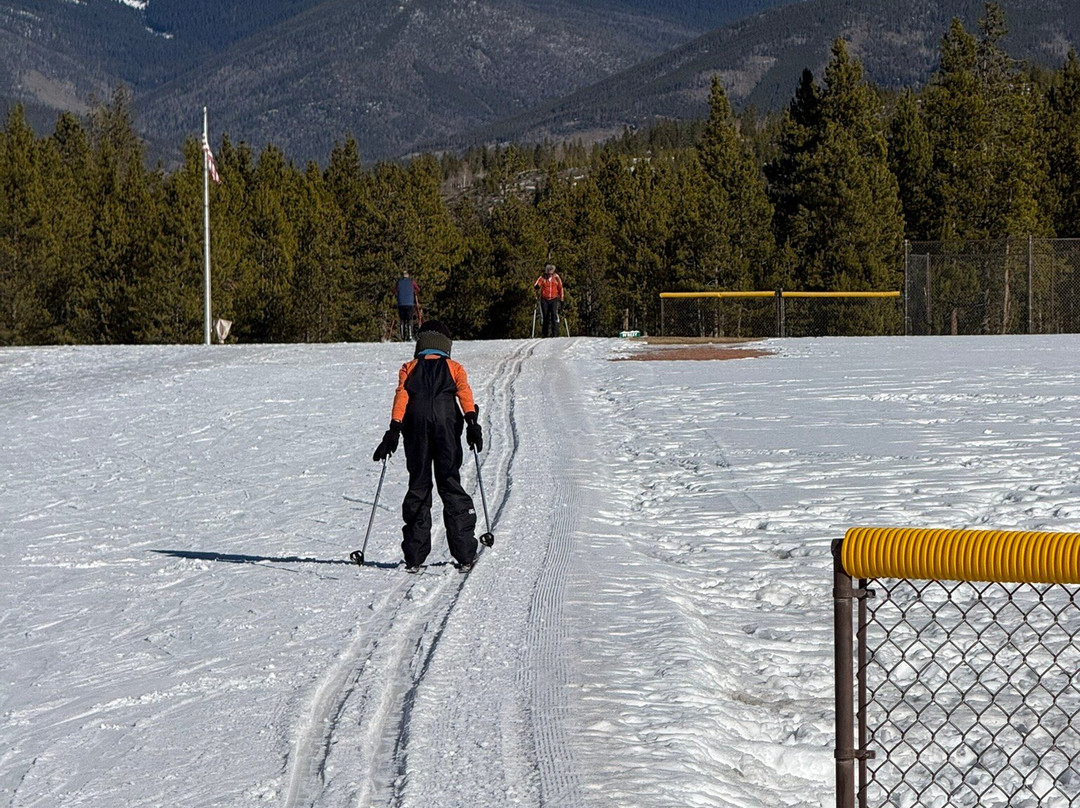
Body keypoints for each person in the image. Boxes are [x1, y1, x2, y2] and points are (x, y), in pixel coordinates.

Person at [372, 320, 484, 573]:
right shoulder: (454, 367)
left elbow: (402, 396)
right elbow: (464, 394)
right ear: (446, 345)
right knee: (449, 483)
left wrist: (394, 429)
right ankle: (465, 553)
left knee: (419, 484)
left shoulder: (409, 368)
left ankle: (414, 556)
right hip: (447, 427)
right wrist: (472, 421)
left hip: (415, 430)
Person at [533, 263, 564, 338]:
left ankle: (555, 334)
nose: (550, 274)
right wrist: (537, 287)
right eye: (549, 273)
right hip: (544, 299)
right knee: (545, 316)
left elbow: (560, 287)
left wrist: (562, 298)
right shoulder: (543, 277)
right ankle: (545, 334)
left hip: (554, 298)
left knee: (554, 315)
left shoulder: (556, 277)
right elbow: (537, 284)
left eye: (551, 273)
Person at [394, 270, 421, 340]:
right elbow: (418, 289)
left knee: (402, 320)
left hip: (401, 303)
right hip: (409, 303)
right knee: (410, 319)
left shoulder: (399, 282)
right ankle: (410, 335)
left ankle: (403, 336)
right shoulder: (411, 282)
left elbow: (394, 290)